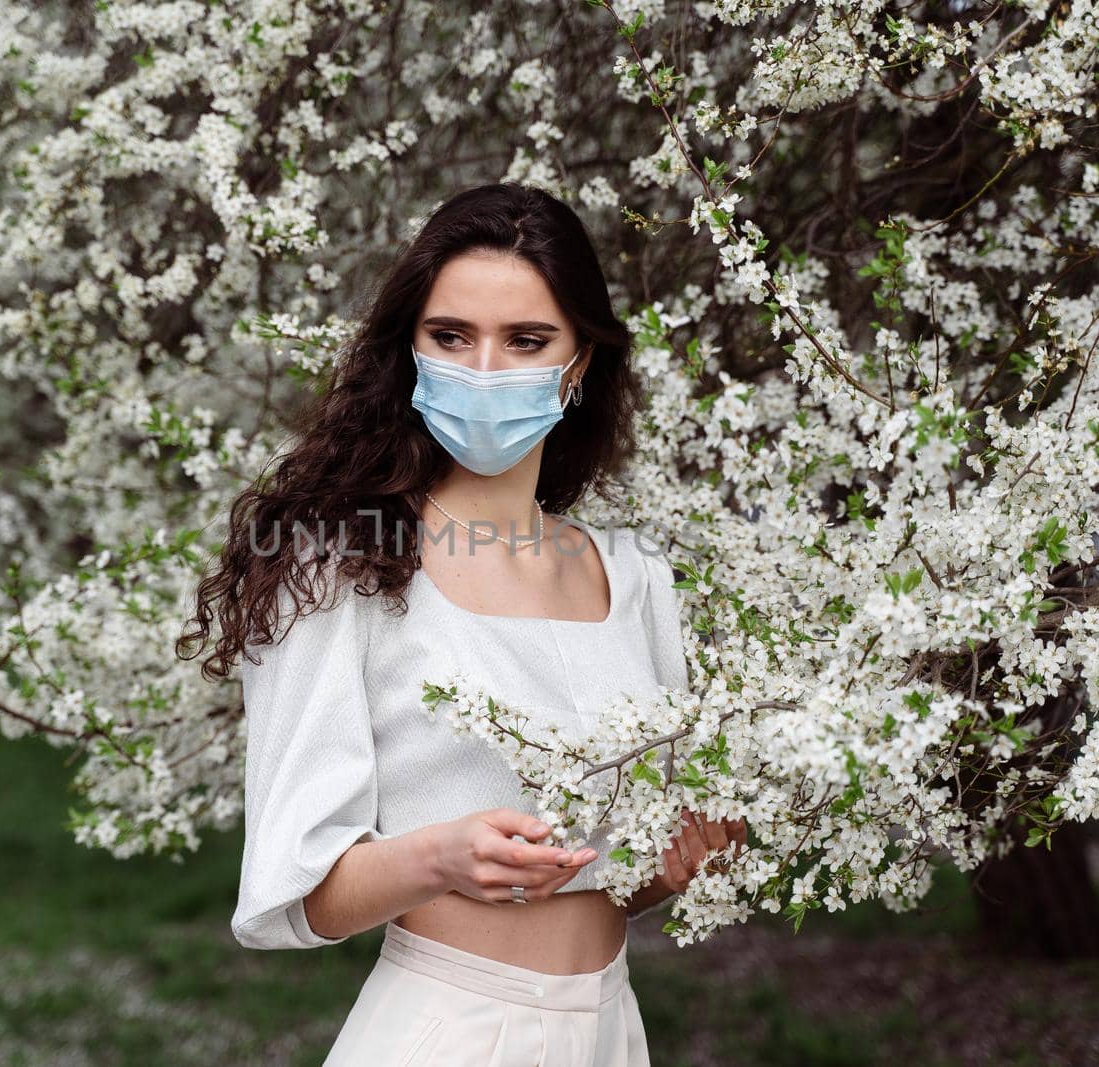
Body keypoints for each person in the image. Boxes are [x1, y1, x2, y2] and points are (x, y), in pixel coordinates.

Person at [179, 181, 748, 1066]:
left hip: (611, 1028)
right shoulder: (339, 568)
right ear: (410, 350)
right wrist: (438, 857)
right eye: (452, 337)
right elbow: (300, 888)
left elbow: (602, 880)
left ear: (578, 362)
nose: (484, 370)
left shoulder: (634, 576)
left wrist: (662, 875)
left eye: (525, 340)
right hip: (447, 1028)